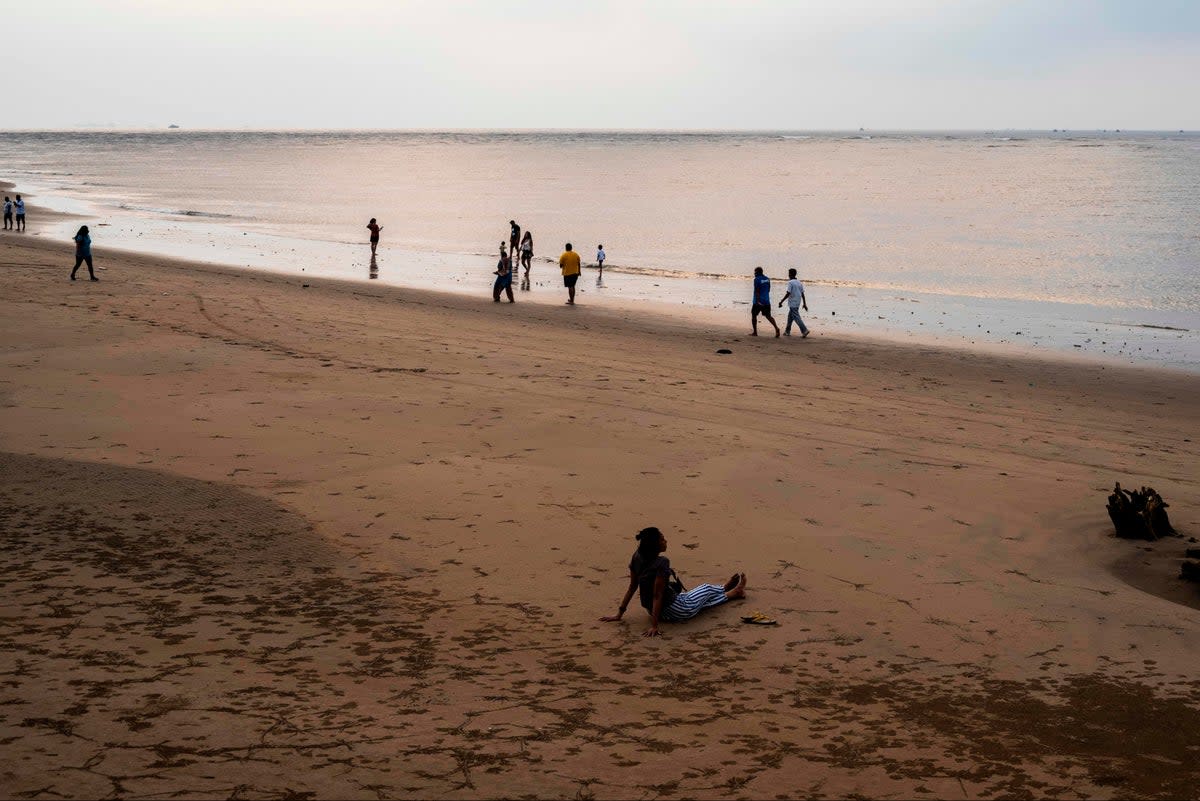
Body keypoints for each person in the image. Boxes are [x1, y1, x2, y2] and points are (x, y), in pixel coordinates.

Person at [600, 526, 746, 637]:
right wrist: (654, 626)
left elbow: (632, 587)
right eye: (662, 539)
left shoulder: (637, 556)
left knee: (701, 601)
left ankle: (732, 592)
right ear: (655, 546)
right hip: (676, 610)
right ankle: (726, 589)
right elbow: (658, 595)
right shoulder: (661, 562)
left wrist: (619, 614)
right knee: (705, 589)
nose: (666, 541)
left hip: (652, 610)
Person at [778, 268, 810, 338]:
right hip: (797, 302)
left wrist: (781, 301)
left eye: (789, 273)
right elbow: (802, 294)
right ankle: (787, 331)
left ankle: (804, 330)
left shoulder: (790, 282)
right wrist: (804, 303)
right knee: (790, 316)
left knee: (796, 317)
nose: (788, 275)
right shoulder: (799, 282)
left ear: (790, 274)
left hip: (793, 302)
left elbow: (788, 293)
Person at [751, 267, 780, 337]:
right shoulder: (767, 279)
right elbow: (769, 289)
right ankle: (776, 328)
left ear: (758, 272)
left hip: (758, 301)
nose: (754, 274)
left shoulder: (756, 279)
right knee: (768, 316)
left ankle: (755, 332)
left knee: (754, 315)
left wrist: (758, 301)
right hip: (766, 301)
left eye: (755, 272)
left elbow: (757, 291)